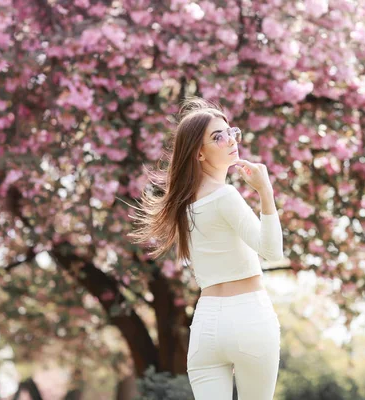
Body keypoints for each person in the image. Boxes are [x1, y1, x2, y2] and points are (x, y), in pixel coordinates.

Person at [127, 97, 284, 400]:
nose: (230, 140)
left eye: (230, 132)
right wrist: (265, 191)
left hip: (207, 326)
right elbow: (272, 251)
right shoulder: (225, 196)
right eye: (218, 136)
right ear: (199, 153)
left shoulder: (182, 206)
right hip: (250, 317)